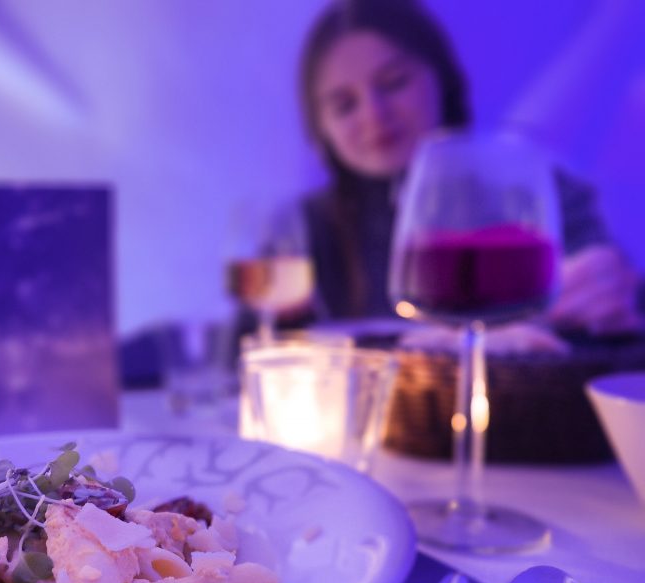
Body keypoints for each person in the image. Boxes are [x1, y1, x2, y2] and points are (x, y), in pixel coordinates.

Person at [264, 0, 641, 335]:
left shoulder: (526, 190)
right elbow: (244, 353)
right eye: (345, 105)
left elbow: (619, 312)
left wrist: (609, 292)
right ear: (319, 128)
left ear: (441, 76)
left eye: (394, 83)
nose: (374, 116)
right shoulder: (299, 230)